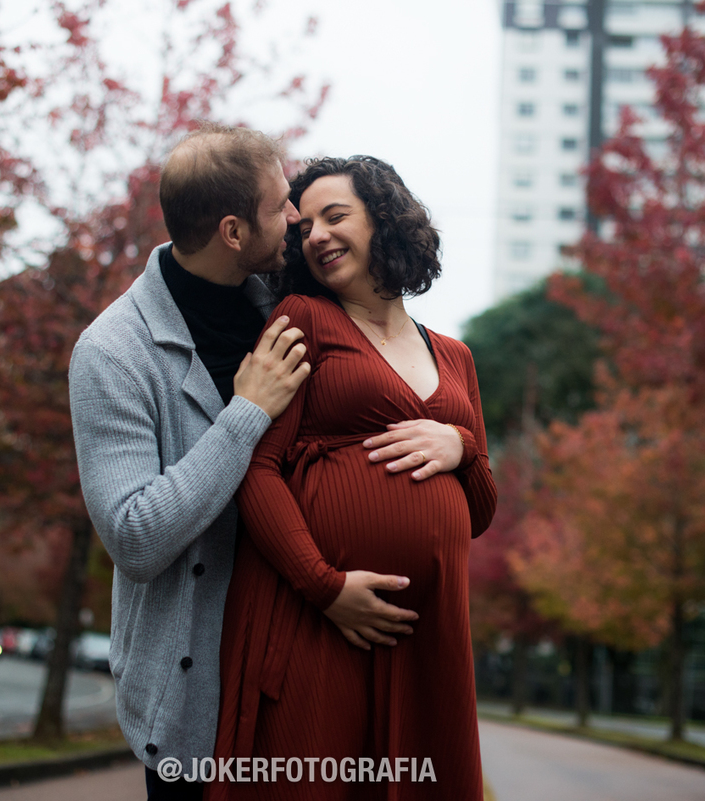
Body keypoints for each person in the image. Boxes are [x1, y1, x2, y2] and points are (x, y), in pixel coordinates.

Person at [68, 127, 469, 801]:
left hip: (306, 656)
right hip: (194, 688)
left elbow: (392, 359)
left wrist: (457, 439)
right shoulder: (113, 351)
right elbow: (135, 536)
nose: (297, 222)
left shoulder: (289, 307)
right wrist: (246, 412)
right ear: (232, 230)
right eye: (284, 206)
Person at [210, 156, 499, 800]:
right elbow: (255, 468)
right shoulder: (302, 321)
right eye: (304, 225)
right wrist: (325, 587)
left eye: (335, 216)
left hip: (427, 632)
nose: (315, 234)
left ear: (387, 222)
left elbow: (479, 512)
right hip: (320, 617)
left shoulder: (456, 357)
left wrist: (461, 444)